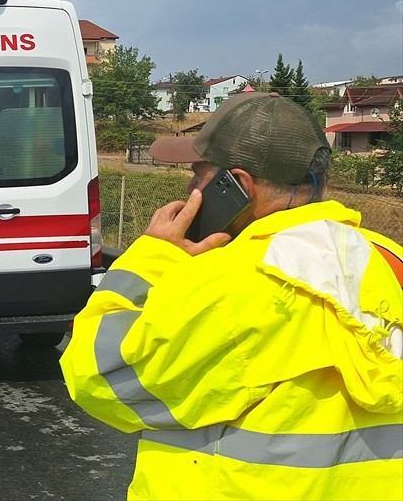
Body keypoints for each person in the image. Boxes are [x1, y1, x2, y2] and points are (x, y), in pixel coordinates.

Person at [60, 92, 403, 500]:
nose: (189, 189)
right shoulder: (389, 260)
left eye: (197, 175)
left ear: (236, 185)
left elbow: (99, 379)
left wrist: (151, 258)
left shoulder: (233, 281)